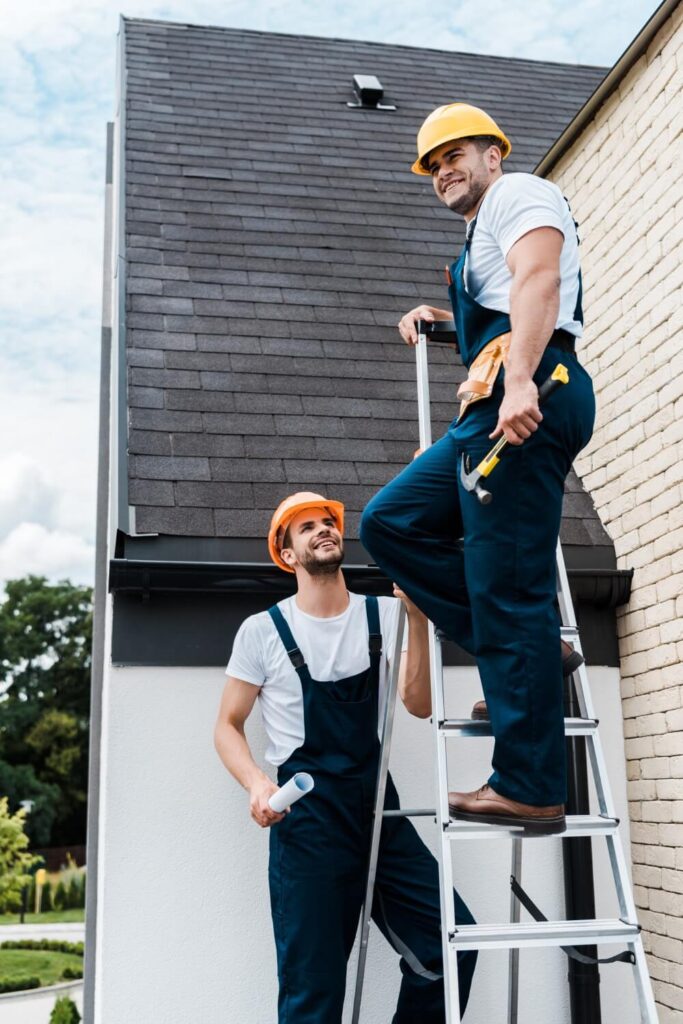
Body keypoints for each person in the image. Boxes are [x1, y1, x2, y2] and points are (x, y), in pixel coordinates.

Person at [360, 103, 596, 835]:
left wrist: (520, 379)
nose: (442, 171)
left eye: (455, 154)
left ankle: (528, 785)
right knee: (389, 524)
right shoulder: (475, 235)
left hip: (525, 394)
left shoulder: (520, 192)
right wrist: (443, 315)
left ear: (494, 153)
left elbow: (538, 281)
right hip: (489, 403)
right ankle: (527, 653)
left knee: (508, 586)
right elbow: (502, 295)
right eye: (431, 164)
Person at [214, 491, 477, 1024]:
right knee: (313, 994)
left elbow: (419, 704)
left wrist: (418, 618)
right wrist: (257, 784)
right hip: (308, 826)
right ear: (287, 554)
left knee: (451, 945)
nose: (322, 531)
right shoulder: (262, 632)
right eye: (305, 528)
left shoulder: (386, 615)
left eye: (327, 523)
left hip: (379, 808)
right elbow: (227, 726)